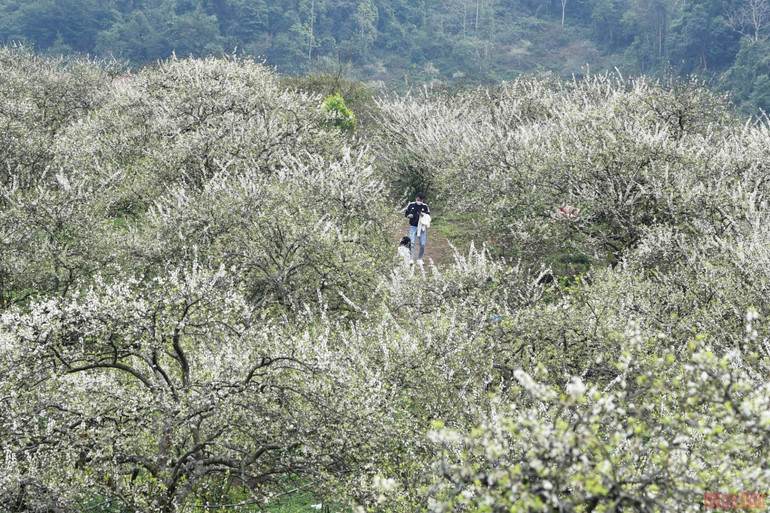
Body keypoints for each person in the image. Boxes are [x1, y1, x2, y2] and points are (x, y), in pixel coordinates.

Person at [405, 192, 430, 265]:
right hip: (413, 226)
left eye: (420, 200)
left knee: (422, 244)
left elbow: (428, 217)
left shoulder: (425, 206)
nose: (419, 201)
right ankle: (411, 259)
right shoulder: (411, 205)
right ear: (416, 198)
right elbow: (406, 214)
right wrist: (409, 216)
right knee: (412, 243)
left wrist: (422, 214)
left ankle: (419, 258)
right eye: (418, 200)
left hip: (422, 227)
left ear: (422, 200)